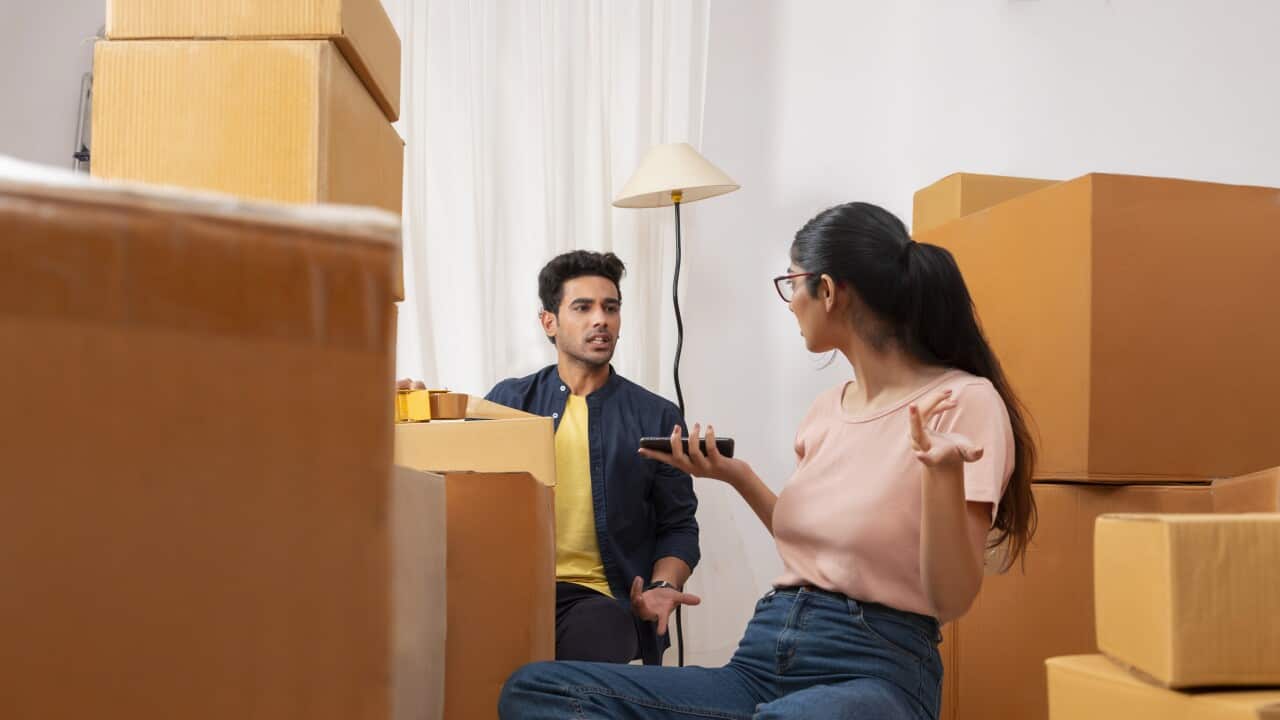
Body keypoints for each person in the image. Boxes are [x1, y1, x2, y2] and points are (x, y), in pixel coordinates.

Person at [497, 201, 1037, 719]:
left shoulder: (961, 403)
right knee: (536, 689)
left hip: (872, 667)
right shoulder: (827, 410)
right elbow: (812, 542)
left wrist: (943, 476)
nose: (790, 301)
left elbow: (951, 598)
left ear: (828, 291)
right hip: (763, 657)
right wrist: (735, 476)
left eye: (792, 283)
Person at [485, 250, 702, 666]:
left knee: (597, 638)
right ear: (549, 322)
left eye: (611, 308)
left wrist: (662, 587)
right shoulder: (508, 402)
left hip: (601, 602)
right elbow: (459, 483)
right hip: (511, 592)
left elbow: (678, 525)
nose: (601, 319)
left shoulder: (655, 416)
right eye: (583, 308)